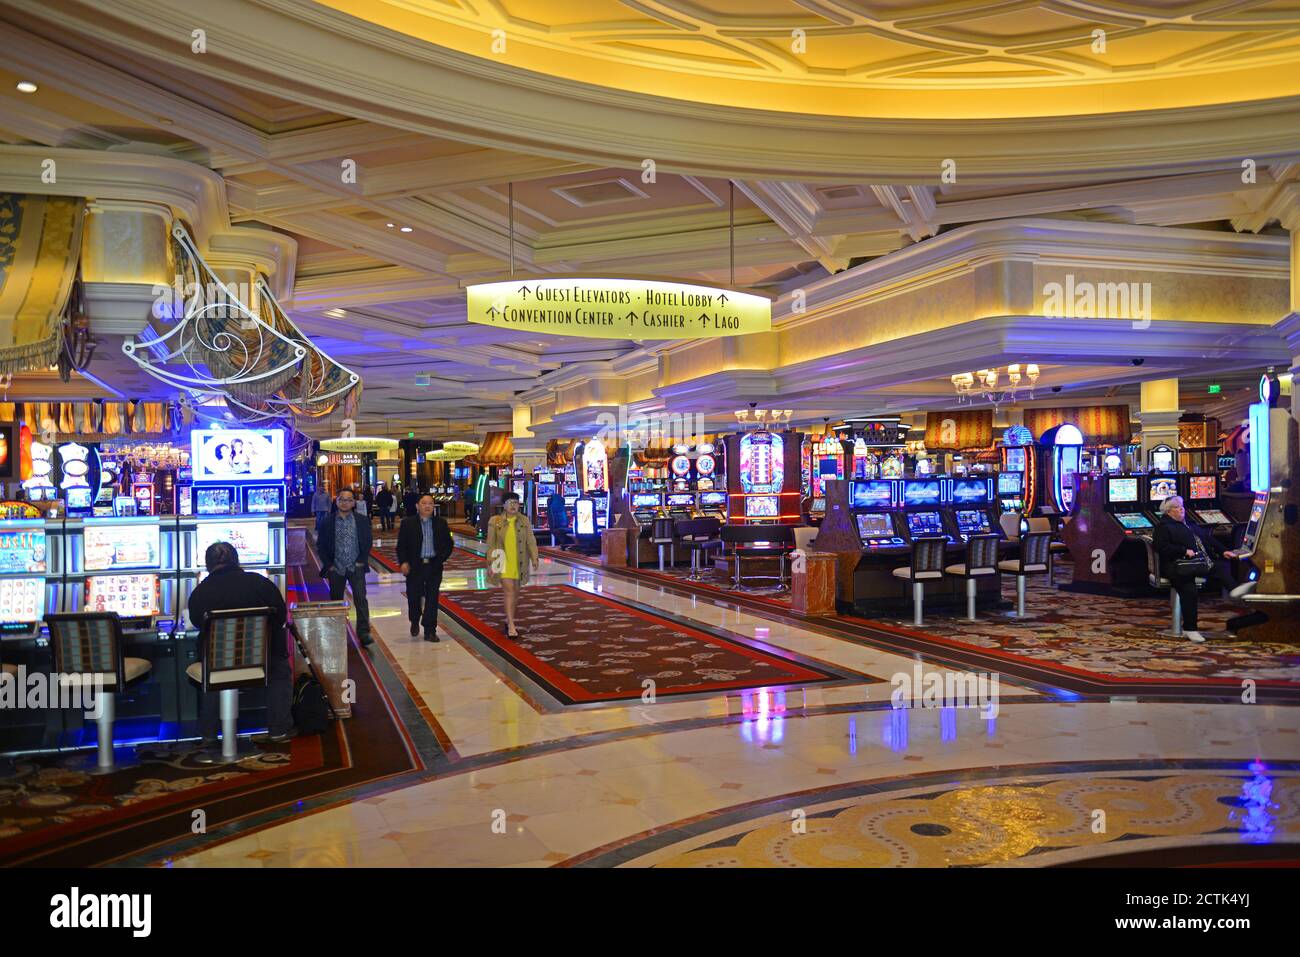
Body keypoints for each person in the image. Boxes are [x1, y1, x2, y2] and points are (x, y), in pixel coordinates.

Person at [187, 541, 293, 747]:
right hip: (262, 659)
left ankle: (208, 734)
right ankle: (278, 730)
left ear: (207, 565)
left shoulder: (201, 592)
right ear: (237, 560)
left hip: (218, 661)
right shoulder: (260, 583)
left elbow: (197, 622)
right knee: (279, 670)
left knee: (209, 667)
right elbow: (280, 617)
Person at [1152, 495, 1249, 643]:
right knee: (1189, 590)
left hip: (1196, 563)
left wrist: (1223, 551)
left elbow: (1208, 538)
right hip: (1176, 567)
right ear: (1169, 512)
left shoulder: (1188, 524)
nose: (1181, 510)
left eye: (1182, 507)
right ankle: (1190, 629)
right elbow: (1160, 547)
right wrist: (1183, 551)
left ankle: (1234, 591)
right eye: (1177, 508)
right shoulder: (1163, 527)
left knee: (1220, 566)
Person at [316, 488, 374, 647]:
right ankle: (336, 631)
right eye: (342, 499)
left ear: (354, 503)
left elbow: (367, 541)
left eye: (349, 500)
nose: (345, 502)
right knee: (335, 601)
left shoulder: (361, 520)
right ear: (337, 501)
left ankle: (363, 632)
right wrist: (330, 565)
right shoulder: (327, 521)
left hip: (356, 567)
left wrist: (361, 561)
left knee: (361, 599)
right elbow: (320, 545)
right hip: (337, 568)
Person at [396, 493, 454, 641]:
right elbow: (401, 546)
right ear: (417, 506)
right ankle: (414, 620)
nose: (427, 506)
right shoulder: (408, 523)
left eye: (430, 503)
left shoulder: (440, 523)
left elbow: (448, 544)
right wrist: (404, 562)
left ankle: (430, 630)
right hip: (415, 566)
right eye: (424, 503)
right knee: (414, 597)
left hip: (434, 566)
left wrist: (441, 558)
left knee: (432, 598)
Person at [485, 491, 539, 639]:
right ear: (504, 505)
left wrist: (534, 557)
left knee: (516, 592)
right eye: (510, 503)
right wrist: (490, 563)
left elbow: (530, 540)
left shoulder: (524, 521)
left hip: (519, 560)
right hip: (501, 559)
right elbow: (491, 544)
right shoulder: (495, 521)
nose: (513, 505)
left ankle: (509, 619)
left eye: (516, 503)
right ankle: (511, 624)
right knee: (509, 591)